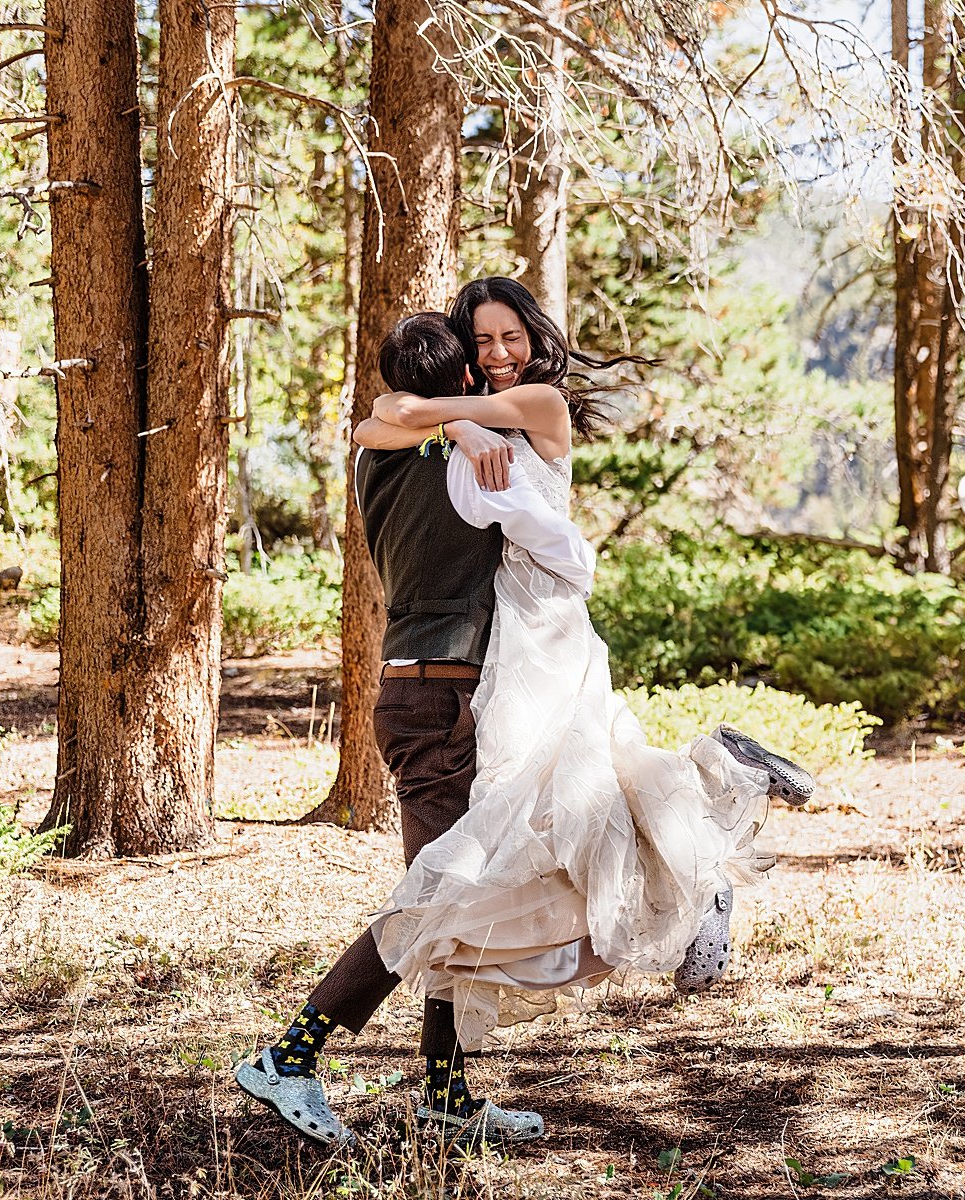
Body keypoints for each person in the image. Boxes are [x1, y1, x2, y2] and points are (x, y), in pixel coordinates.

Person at [235, 282, 811, 1151]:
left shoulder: (410, 446)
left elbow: (384, 419)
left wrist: (445, 417)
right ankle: (292, 1057)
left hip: (428, 688)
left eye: (508, 338)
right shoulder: (466, 455)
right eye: (481, 345)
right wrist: (458, 426)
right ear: (462, 367)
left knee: (457, 899)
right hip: (454, 693)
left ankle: (444, 1094)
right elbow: (410, 427)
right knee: (442, 898)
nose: (497, 355)